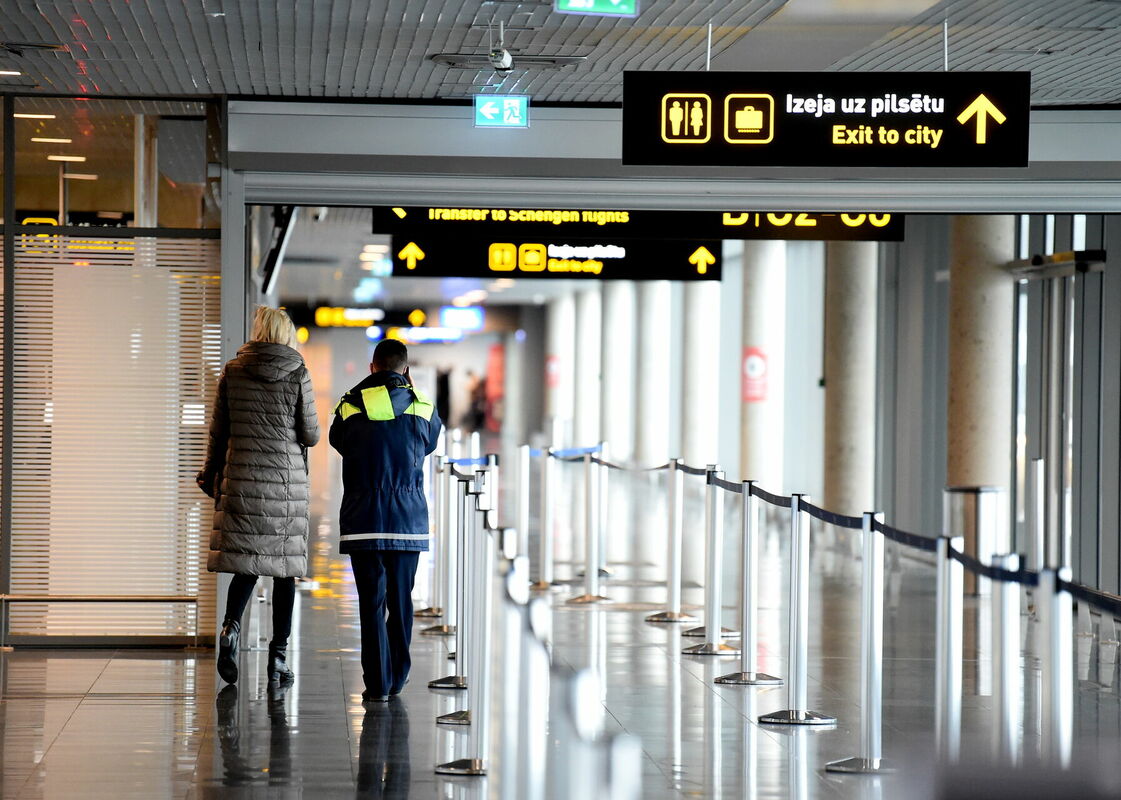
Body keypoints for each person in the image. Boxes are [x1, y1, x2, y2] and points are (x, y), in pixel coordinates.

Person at [197, 305, 319, 686]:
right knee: (284, 575)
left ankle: (230, 629)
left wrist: (209, 474)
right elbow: (311, 433)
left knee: (247, 565)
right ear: (287, 335)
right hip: (285, 488)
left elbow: (219, 432)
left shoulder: (233, 371)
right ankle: (278, 659)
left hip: (242, 482)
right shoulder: (299, 372)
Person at [330, 339, 442, 703]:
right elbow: (428, 444)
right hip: (406, 520)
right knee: (401, 600)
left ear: (372, 367)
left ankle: (376, 683)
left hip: (363, 517)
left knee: (371, 603)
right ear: (405, 370)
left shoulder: (349, 405)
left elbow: (339, 442)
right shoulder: (423, 407)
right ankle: (398, 676)